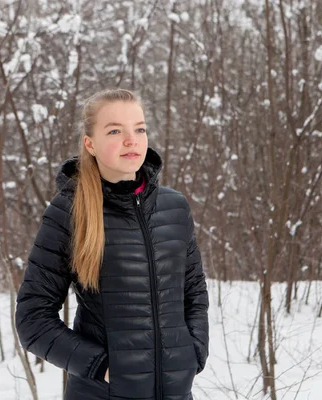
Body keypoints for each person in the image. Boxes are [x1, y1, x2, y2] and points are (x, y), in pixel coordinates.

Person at [15, 88, 209, 400]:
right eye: (115, 130)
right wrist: (102, 367)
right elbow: (33, 319)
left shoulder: (174, 207)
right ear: (90, 144)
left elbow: (194, 291)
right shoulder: (69, 211)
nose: (132, 140)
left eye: (140, 128)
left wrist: (194, 353)